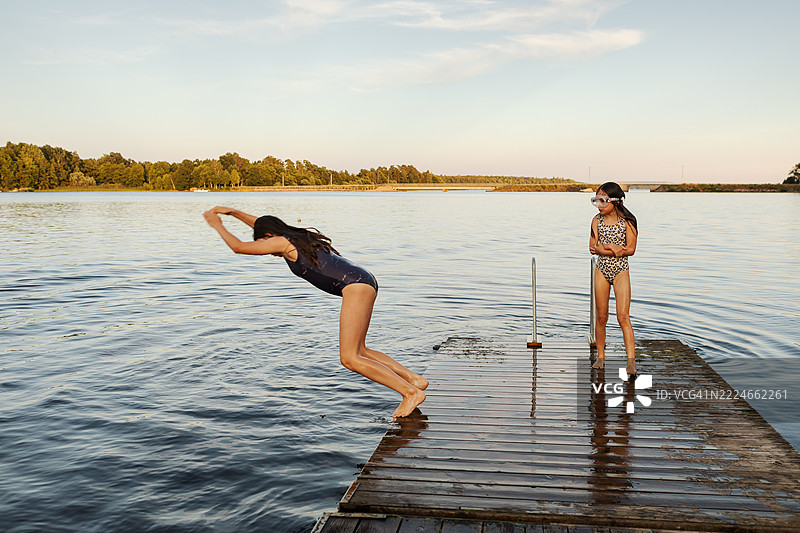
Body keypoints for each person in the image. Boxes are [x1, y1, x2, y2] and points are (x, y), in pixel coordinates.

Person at [202, 206, 428, 419]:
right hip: (363, 280)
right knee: (360, 350)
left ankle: (410, 393)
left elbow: (239, 247)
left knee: (349, 358)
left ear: (269, 235)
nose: (265, 249)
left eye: (262, 241)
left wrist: (217, 224)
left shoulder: (282, 242)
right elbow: (262, 224)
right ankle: (413, 380)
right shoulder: (295, 237)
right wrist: (231, 212)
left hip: (354, 286)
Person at [588, 183, 638, 374]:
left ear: (615, 201)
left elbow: (631, 250)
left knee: (623, 317)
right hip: (601, 270)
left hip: (620, 271)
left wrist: (607, 248)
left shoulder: (627, 221)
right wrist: (614, 247)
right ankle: (600, 357)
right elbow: (593, 248)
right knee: (601, 317)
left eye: (602, 200)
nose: (599, 205)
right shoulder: (596, 221)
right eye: (596, 200)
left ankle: (631, 361)